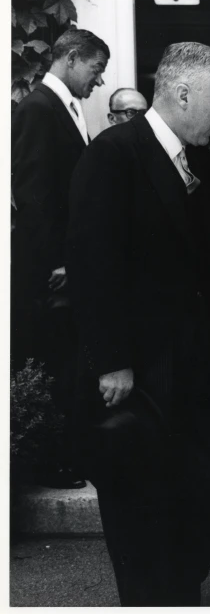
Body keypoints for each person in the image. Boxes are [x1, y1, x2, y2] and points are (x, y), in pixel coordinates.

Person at [67, 41, 210, 606]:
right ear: (183, 92)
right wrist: (113, 360)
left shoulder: (200, 162)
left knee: (197, 489)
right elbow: (91, 262)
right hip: (136, 373)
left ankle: (181, 593)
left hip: (188, 367)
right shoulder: (114, 153)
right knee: (140, 502)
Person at [11, 28, 110, 489]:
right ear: (71, 59)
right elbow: (33, 196)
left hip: (69, 267)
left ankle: (71, 457)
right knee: (54, 365)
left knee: (70, 364)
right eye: (96, 69)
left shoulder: (64, 108)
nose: (99, 81)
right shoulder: (37, 108)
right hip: (51, 273)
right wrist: (58, 262)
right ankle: (54, 464)